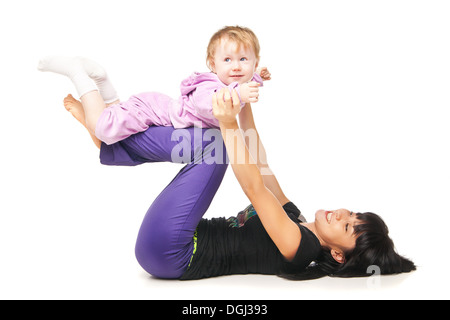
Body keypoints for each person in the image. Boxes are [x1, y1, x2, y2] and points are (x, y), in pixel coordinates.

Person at [38, 57, 415, 282]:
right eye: (354, 213)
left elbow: (254, 188)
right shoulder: (295, 217)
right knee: (214, 139)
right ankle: (106, 115)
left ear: (338, 255)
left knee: (216, 143)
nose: (343, 215)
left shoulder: (301, 247)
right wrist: (241, 93)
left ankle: (104, 124)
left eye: (348, 227)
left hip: (172, 254)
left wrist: (228, 121)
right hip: (173, 241)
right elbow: (260, 161)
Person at [38, 26, 271, 145]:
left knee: (116, 125)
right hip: (154, 111)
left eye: (244, 60)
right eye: (227, 60)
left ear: (254, 62)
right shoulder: (210, 85)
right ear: (213, 64)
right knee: (103, 128)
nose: (236, 67)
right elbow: (207, 105)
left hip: (157, 108)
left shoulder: (236, 82)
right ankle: (77, 72)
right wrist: (238, 92)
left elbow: (242, 82)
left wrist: (258, 77)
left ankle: (101, 78)